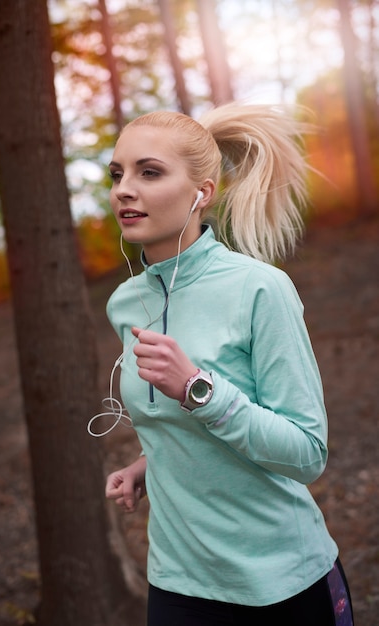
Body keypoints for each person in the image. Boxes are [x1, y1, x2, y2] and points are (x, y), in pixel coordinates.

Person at [102, 103, 354, 626]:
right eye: (117, 173)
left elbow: (307, 453)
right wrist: (150, 465)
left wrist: (197, 388)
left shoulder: (260, 288)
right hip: (177, 581)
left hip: (279, 580)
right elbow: (188, 429)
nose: (124, 188)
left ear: (202, 193)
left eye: (149, 172)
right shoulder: (124, 303)